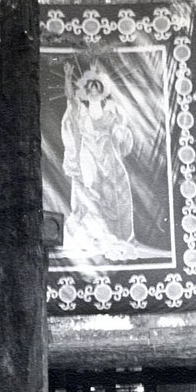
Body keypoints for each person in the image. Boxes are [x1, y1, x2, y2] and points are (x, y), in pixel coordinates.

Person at [61, 61, 136, 257]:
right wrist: (68, 77)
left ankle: (110, 234)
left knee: (113, 189)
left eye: (97, 88)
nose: (93, 91)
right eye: (90, 88)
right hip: (88, 153)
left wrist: (119, 133)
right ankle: (88, 234)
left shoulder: (110, 109)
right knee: (89, 187)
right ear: (86, 91)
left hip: (107, 154)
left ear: (102, 91)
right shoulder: (80, 107)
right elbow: (70, 97)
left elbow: (120, 129)